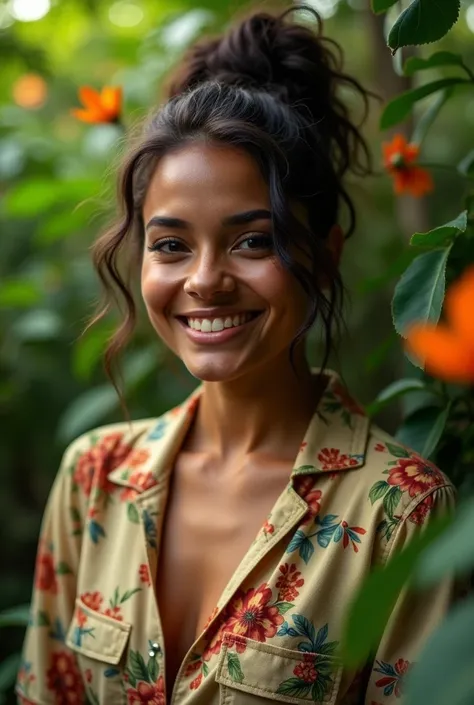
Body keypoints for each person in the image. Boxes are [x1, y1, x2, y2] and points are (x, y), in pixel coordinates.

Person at [16, 6, 456, 705]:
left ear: (325, 252)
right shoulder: (93, 480)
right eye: (170, 244)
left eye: (252, 240)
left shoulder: (400, 514)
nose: (203, 279)